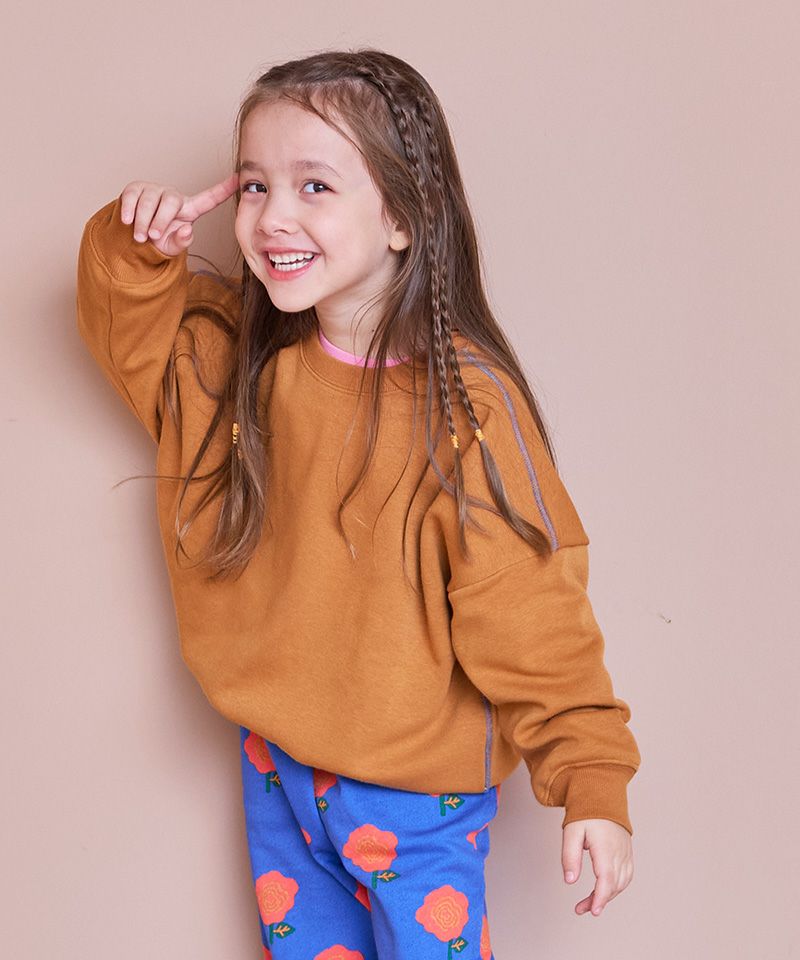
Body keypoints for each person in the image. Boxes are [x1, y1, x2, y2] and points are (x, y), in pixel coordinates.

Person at [75, 48, 642, 960]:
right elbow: (130, 339)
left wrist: (591, 773)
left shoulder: (466, 409)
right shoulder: (237, 360)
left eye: (314, 186)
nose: (273, 215)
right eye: (253, 186)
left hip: (418, 794)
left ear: (403, 218)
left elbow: (529, 603)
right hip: (278, 766)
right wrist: (136, 248)